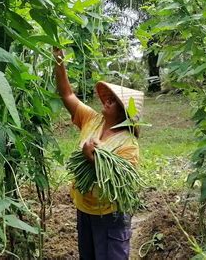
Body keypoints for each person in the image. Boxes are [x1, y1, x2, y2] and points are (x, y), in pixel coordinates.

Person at [53, 47, 144, 260]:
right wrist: (59, 61)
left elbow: (118, 182)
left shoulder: (128, 144)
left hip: (110, 215)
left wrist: (95, 159)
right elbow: (67, 94)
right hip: (85, 209)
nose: (108, 100)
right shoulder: (92, 120)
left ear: (125, 113)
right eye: (109, 97)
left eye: (115, 100)